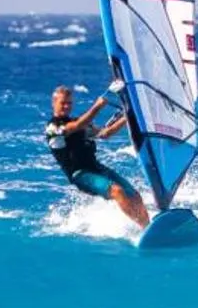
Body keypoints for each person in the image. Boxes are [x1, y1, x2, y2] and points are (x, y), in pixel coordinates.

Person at [46, 84, 149, 227]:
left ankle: (149, 225)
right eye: (62, 103)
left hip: (96, 168)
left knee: (134, 195)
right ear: (54, 103)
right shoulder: (53, 127)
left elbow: (106, 133)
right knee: (117, 191)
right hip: (80, 174)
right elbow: (74, 127)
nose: (66, 106)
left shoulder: (79, 123)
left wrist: (129, 115)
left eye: (69, 103)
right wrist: (98, 105)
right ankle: (144, 228)